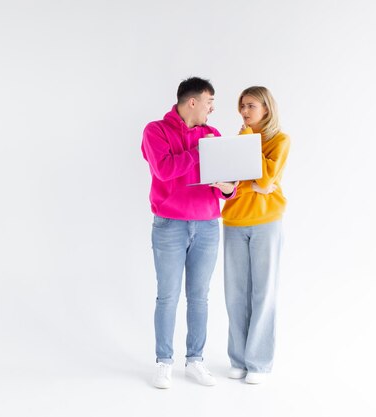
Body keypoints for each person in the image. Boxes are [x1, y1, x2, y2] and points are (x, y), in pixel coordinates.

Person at [141, 77, 237, 389]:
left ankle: (195, 360)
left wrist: (226, 187)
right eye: (210, 102)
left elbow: (229, 188)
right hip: (170, 224)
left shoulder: (214, 135)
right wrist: (200, 151)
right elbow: (164, 170)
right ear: (193, 102)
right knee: (167, 296)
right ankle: (163, 362)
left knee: (199, 297)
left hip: (208, 224)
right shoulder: (155, 130)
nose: (213, 109)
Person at [221, 86, 290, 384]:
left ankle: (259, 363)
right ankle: (238, 359)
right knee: (235, 294)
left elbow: (264, 178)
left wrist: (249, 143)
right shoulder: (239, 140)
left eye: (250, 105)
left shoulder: (279, 141)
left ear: (266, 108)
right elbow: (227, 184)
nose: (244, 112)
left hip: (266, 222)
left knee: (263, 292)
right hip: (234, 221)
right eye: (241, 107)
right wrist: (251, 185)